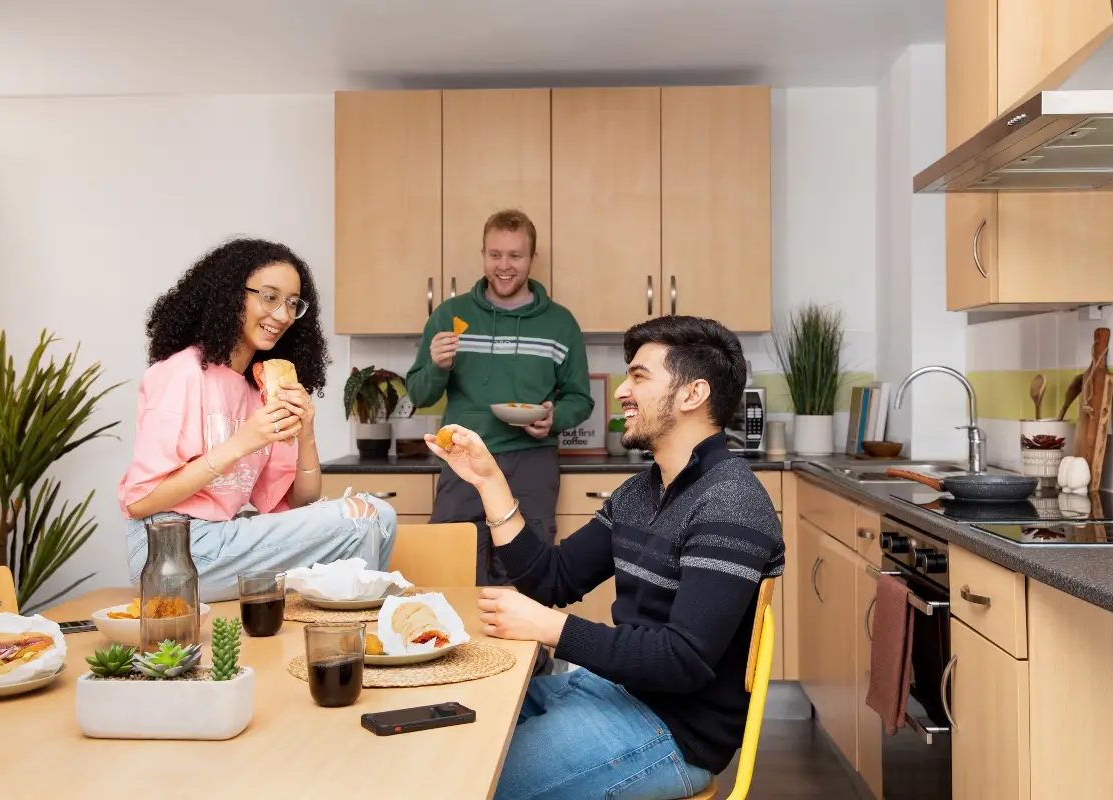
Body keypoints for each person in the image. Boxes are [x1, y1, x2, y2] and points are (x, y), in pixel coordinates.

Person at [424, 315, 785, 800]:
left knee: (465, 785)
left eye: (639, 376)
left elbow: (682, 660)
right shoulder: (643, 491)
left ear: (692, 394)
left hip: (671, 730)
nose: (620, 392)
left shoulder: (731, 503)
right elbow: (551, 580)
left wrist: (550, 629)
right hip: (611, 688)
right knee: (438, 741)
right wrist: (488, 481)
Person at [118, 238, 397, 602]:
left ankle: (345, 622)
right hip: (170, 552)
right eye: (269, 297)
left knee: (382, 515)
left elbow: (299, 502)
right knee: (357, 518)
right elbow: (140, 502)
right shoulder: (180, 373)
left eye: (292, 304)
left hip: (223, 537)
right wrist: (242, 443)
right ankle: (357, 628)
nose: (281, 315)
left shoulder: (259, 388)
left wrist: (306, 433)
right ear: (230, 296)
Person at [406, 209, 594, 585]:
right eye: (495, 255)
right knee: (449, 572)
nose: (504, 266)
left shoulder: (561, 323)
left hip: (531, 465)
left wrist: (553, 417)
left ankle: (524, 648)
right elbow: (419, 394)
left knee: (524, 578)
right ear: (483, 254)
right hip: (463, 459)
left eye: (515, 256)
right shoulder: (449, 316)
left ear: (532, 259)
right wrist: (436, 365)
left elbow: (580, 399)